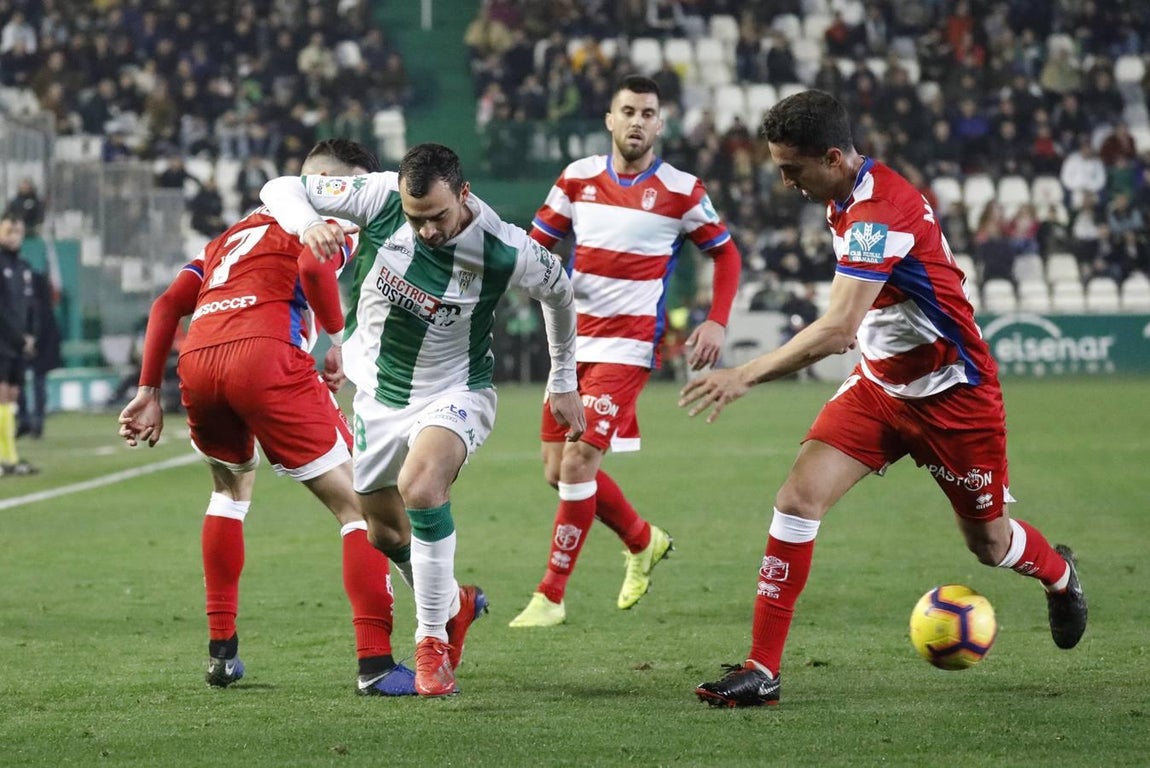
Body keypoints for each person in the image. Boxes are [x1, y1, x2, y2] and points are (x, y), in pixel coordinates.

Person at [680, 90, 1088, 708]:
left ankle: (1059, 576)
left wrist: (747, 374)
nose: (785, 181)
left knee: (990, 544)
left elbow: (839, 329)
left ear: (835, 157)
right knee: (797, 499)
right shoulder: (844, 198)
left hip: (954, 398)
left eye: (793, 168)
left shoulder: (877, 213)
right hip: (880, 389)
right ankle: (762, 669)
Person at [259, 141, 586, 697]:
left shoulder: (506, 249)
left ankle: (431, 645)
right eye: (417, 221)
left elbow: (560, 292)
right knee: (384, 533)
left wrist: (562, 380)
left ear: (463, 193)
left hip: (457, 391)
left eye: (437, 217)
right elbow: (279, 188)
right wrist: (311, 223)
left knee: (422, 486)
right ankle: (452, 602)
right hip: (378, 396)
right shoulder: (381, 195)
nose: (428, 231)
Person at [117, 139, 438, 697]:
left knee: (229, 492)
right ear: (338, 185)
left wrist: (148, 390)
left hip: (198, 360)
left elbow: (168, 303)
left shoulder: (230, 235)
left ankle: (222, 653)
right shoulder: (331, 221)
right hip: (265, 356)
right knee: (359, 506)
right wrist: (335, 341)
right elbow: (314, 267)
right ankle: (377, 663)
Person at [508, 74, 742, 628]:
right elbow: (536, 247)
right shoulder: (576, 179)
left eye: (648, 113)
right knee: (554, 468)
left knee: (578, 461)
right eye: (628, 111)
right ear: (610, 120)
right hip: (571, 344)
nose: (637, 121)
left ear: (660, 125)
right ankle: (643, 539)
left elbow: (727, 256)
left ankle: (551, 595)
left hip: (629, 346)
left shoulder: (684, 191)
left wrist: (716, 321)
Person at [0, 213, 39, 476]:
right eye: (8, 231)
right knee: (2, 393)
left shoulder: (24, 267)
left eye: (18, 232)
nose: (14, 236)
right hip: (2, 340)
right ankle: (7, 457)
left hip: (18, 342)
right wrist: (17, 336)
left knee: (12, 396)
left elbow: (29, 306)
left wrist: (30, 335)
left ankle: (9, 456)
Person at [16, 266, 61, 438]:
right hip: (23, 341)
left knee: (35, 382)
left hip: (38, 343)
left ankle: (32, 422)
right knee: (23, 383)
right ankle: (29, 421)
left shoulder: (28, 291)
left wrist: (32, 339)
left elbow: (39, 316)